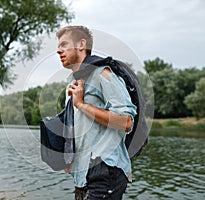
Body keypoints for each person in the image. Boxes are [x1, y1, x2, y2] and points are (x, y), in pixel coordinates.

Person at [56, 25, 137, 200]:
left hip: (105, 172)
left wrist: (82, 105)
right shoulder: (72, 83)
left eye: (63, 44)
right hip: (82, 174)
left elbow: (126, 121)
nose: (58, 50)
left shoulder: (103, 73)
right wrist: (68, 156)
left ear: (81, 44)